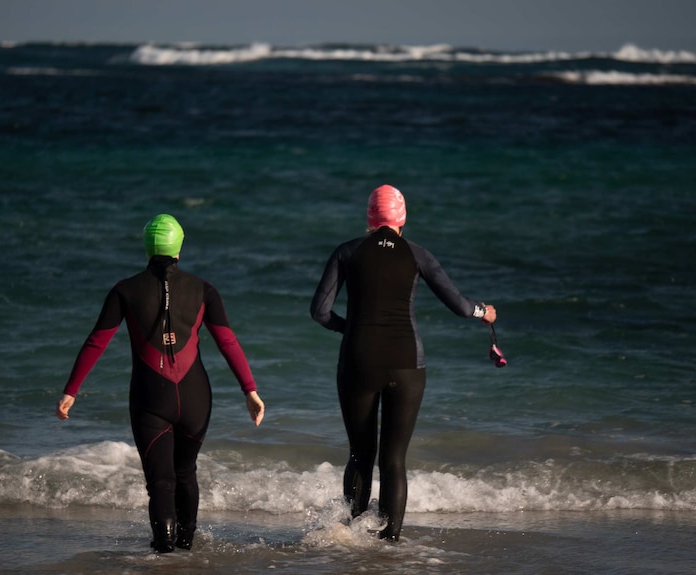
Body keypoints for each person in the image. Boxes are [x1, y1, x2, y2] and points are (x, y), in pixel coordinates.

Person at [55, 213, 265, 553]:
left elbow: (97, 341)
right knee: (185, 472)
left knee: (161, 482)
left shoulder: (125, 290)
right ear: (179, 248)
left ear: (147, 247)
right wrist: (250, 390)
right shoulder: (204, 289)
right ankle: (187, 547)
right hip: (196, 397)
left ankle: (164, 554)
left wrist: (71, 391)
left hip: (151, 396)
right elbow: (227, 341)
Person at [310, 185, 496, 542]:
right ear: (403, 217)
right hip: (407, 364)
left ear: (369, 217)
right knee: (393, 458)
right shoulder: (417, 254)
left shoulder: (347, 251)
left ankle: (351, 537)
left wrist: (349, 329)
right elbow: (459, 305)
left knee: (360, 453)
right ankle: (390, 541)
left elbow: (318, 312)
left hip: (358, 360)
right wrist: (482, 312)